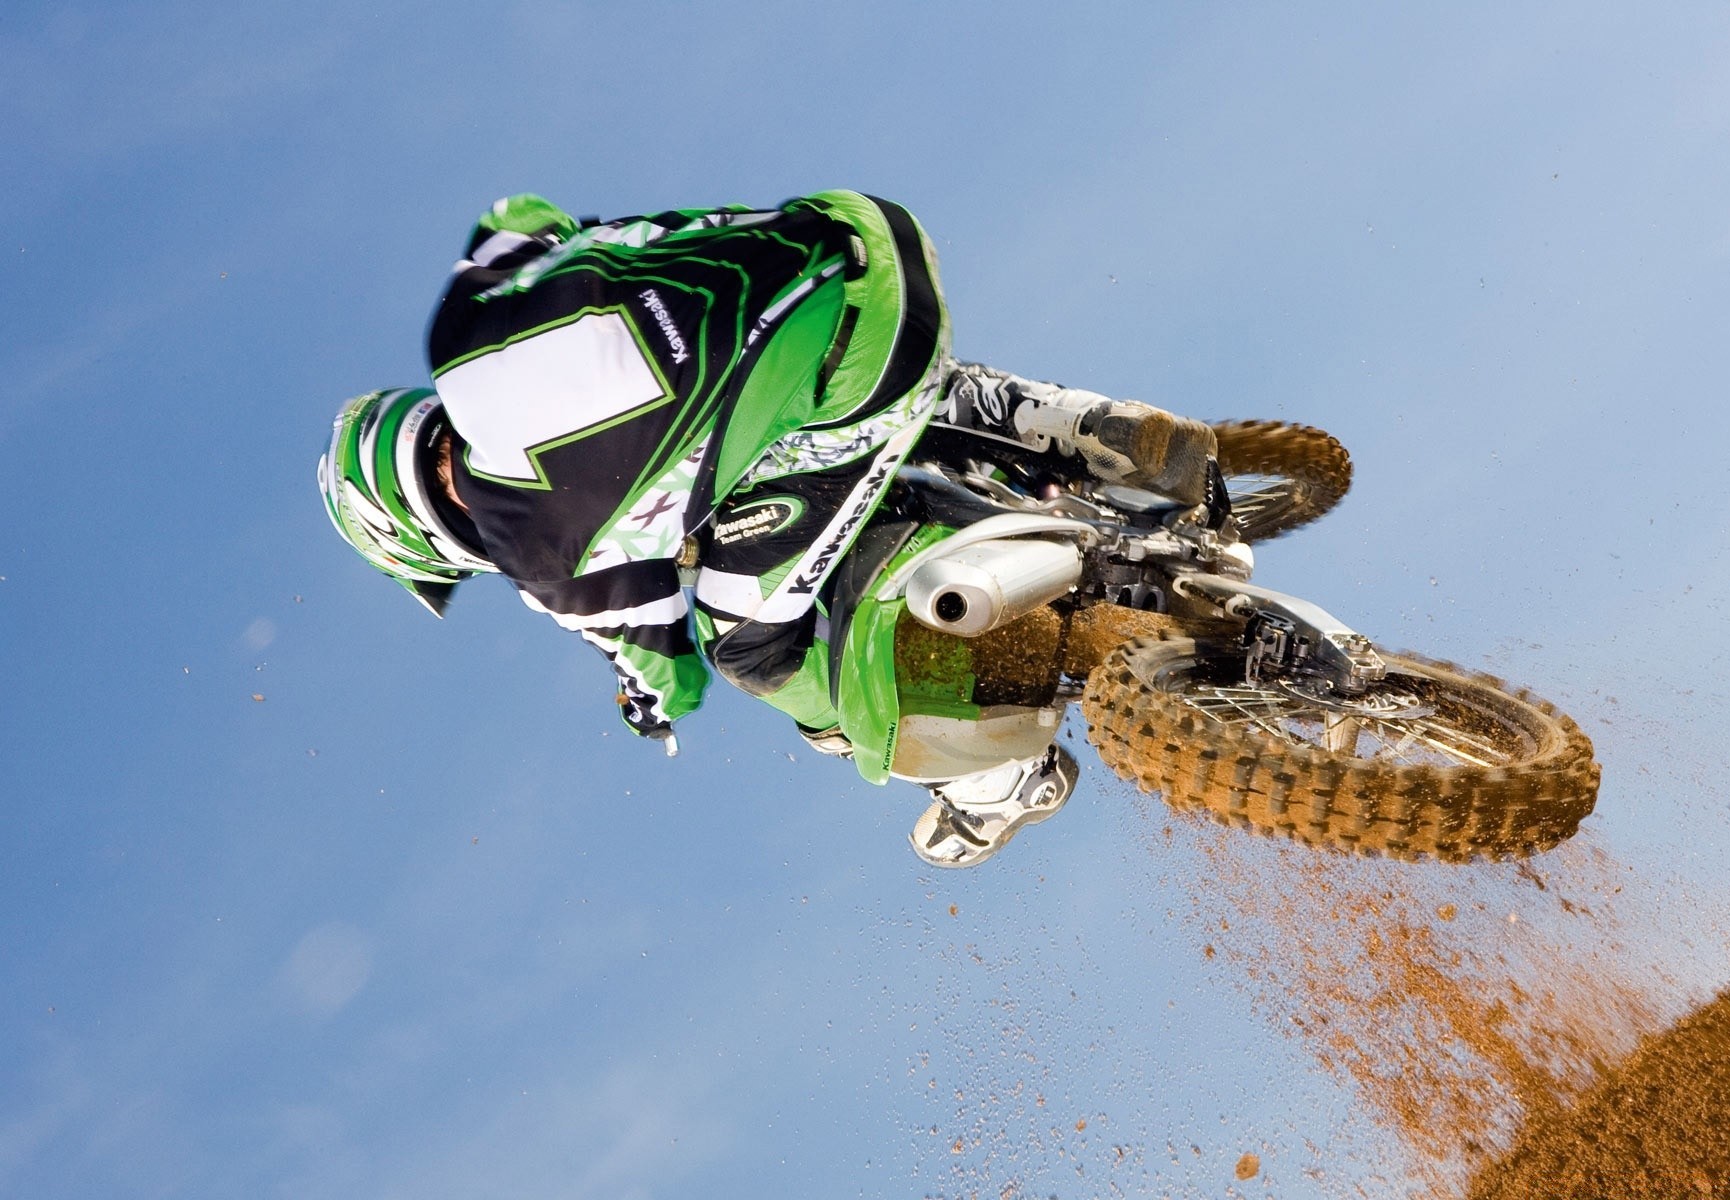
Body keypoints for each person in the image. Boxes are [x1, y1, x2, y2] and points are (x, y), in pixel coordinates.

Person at [320, 190, 1215, 867]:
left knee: (750, 646)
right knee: (837, 407)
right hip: (862, 244)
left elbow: (663, 673)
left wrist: (643, 710)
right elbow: (524, 214)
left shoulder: (536, 551)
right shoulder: (474, 313)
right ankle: (1093, 435)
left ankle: (992, 772)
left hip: (839, 392)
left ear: (417, 528)